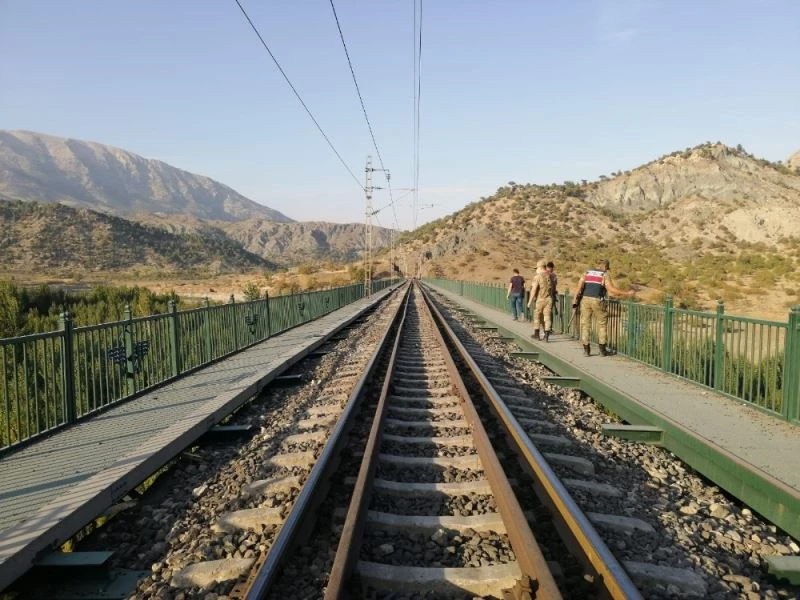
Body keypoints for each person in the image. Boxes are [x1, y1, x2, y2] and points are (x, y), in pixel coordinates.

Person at [572, 258, 634, 356]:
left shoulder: (587, 273)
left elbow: (578, 288)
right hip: (597, 300)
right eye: (607, 268)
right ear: (605, 266)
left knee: (585, 325)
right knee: (602, 324)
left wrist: (574, 300)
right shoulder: (604, 275)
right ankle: (602, 350)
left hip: (585, 300)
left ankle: (586, 350)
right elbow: (611, 289)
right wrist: (627, 293)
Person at [527, 259, 554, 341]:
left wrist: (529, 302)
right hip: (549, 299)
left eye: (537, 268)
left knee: (537, 317)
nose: (536, 270)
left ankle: (536, 334)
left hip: (540, 299)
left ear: (540, 267)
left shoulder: (537, 277)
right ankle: (546, 336)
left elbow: (534, 289)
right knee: (547, 317)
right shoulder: (550, 276)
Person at [546, 261, 558, 330]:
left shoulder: (543, 274)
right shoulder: (554, 276)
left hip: (545, 295)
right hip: (551, 295)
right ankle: (549, 327)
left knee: (547, 312)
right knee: (550, 312)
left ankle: (547, 328)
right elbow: (555, 285)